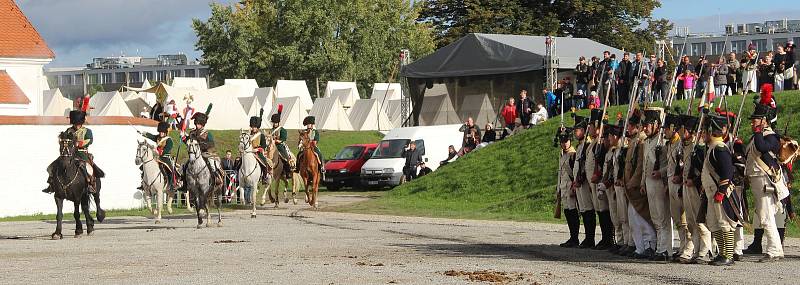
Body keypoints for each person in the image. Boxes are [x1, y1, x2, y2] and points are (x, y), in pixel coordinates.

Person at [743, 103, 787, 262]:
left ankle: (774, 250)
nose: (752, 122)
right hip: (757, 180)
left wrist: (758, 132)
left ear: (764, 121)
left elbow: (762, 148)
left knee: (766, 216)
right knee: (764, 216)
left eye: (756, 120)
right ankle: (775, 249)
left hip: (764, 181)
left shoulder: (771, 136)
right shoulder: (759, 135)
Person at [701, 114, 741, 266]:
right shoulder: (712, 147)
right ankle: (722, 253)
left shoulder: (719, 149)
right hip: (712, 192)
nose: (703, 134)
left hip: (720, 193)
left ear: (712, 131)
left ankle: (728, 255)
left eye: (705, 131)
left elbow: (727, 172)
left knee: (725, 224)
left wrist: (721, 192)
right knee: (713, 223)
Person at [620, 109, 656, 259]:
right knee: (633, 219)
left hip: (635, 185)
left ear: (638, 127)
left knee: (641, 218)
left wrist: (633, 182)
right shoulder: (634, 141)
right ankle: (639, 246)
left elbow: (640, 165)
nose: (628, 128)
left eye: (630, 125)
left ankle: (649, 245)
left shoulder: (641, 141)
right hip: (629, 184)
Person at [678, 114, 713, 264]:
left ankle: (705, 251)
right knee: (691, 221)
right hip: (687, 186)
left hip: (697, 188)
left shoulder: (698, 149)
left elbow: (704, 170)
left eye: (683, 129)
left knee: (700, 221)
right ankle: (697, 250)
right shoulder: (685, 147)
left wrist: (695, 181)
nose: (680, 132)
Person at [42, 110, 104, 193]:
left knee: (87, 168)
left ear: (81, 122)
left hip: (82, 153)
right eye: (75, 123)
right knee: (53, 166)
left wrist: (79, 143)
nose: (77, 125)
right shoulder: (68, 130)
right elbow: (64, 139)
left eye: (78, 123)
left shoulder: (87, 131)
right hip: (68, 153)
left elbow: (89, 140)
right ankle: (51, 185)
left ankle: (90, 184)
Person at [640, 107, 672, 262]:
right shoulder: (647, 142)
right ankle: (659, 246)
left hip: (660, 182)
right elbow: (645, 164)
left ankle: (664, 249)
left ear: (656, 125)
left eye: (647, 125)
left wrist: (661, 172)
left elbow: (671, 165)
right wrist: (642, 183)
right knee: (655, 217)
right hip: (649, 182)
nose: (645, 128)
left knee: (662, 217)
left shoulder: (663, 141)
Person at [663, 112, 691, 262]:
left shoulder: (680, 144)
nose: (664, 131)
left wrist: (679, 177)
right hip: (671, 183)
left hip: (680, 184)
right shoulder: (670, 144)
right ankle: (682, 247)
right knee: (677, 218)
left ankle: (688, 248)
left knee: (685, 219)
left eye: (667, 129)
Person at [586, 109, 614, 250]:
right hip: (593, 182)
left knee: (604, 209)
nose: (588, 129)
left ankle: (608, 238)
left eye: (590, 126)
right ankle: (604, 237)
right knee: (599, 210)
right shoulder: (594, 143)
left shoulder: (601, 143)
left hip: (600, 180)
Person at [182, 105, 225, 187]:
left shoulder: (207, 133)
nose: (197, 125)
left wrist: (201, 145)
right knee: (185, 165)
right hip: (194, 154)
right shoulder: (192, 133)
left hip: (205, 153)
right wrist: (183, 137)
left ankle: (217, 178)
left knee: (212, 164)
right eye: (197, 123)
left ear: (202, 124)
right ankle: (184, 183)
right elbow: (188, 143)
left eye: (199, 124)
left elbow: (211, 144)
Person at [571, 114, 596, 248]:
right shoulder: (580, 146)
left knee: (588, 209)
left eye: (578, 129)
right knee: (584, 210)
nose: (576, 132)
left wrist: (580, 179)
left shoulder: (587, 145)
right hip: (579, 182)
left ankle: (590, 238)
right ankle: (587, 237)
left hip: (585, 182)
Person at [557, 126, 580, 247]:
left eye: (566, 141)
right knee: (567, 212)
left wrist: (573, 187)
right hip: (564, 187)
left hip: (571, 187)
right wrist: (559, 189)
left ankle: (575, 238)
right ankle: (572, 237)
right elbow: (560, 174)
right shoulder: (561, 155)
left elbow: (576, 173)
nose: (564, 144)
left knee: (573, 212)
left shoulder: (573, 154)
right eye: (562, 141)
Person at [138, 121, 177, 192]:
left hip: (165, 157)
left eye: (162, 132)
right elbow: (151, 136)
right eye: (160, 132)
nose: (161, 133)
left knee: (170, 169)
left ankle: (172, 184)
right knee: (143, 166)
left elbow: (167, 150)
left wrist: (158, 152)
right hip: (156, 156)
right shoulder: (157, 137)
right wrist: (143, 133)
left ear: (165, 132)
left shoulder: (169, 140)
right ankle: (143, 183)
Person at [247, 111, 270, 182]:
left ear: (257, 127)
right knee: (239, 161)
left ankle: (264, 177)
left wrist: (258, 149)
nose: (254, 128)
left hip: (257, 152)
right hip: (249, 151)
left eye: (255, 127)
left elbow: (263, 146)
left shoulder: (261, 135)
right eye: (253, 127)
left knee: (264, 163)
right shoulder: (248, 135)